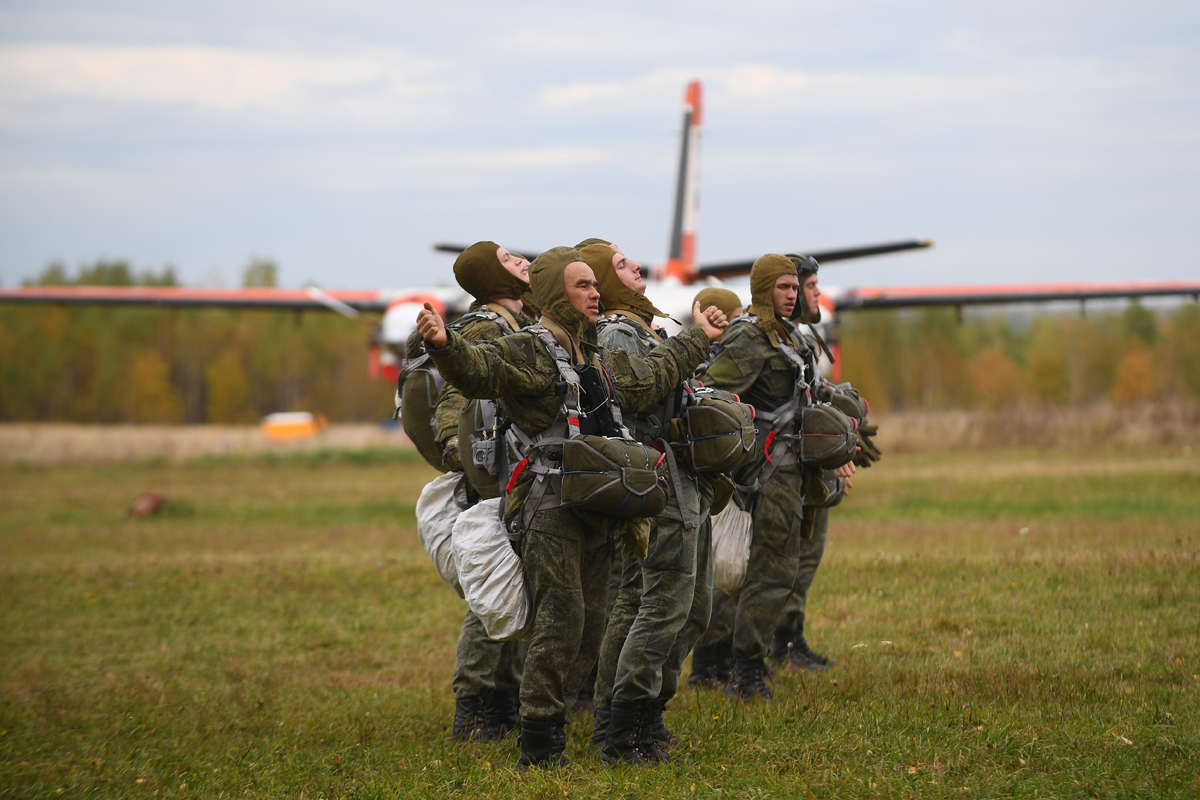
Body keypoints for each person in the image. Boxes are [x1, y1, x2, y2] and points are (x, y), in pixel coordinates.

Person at [415, 246, 728, 767]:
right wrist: (447, 345)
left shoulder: (594, 356)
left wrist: (699, 338)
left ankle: (553, 724)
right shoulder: (532, 349)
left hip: (599, 507)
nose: (595, 292)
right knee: (559, 625)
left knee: (591, 626)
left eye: (593, 284)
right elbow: (481, 371)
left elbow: (647, 378)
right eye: (582, 285)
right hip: (551, 507)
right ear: (557, 293)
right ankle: (538, 745)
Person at [691, 254, 855, 699]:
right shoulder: (748, 337)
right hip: (767, 470)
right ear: (763, 289)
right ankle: (744, 670)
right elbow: (707, 389)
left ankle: (748, 663)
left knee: (779, 568)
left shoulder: (790, 337)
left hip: (793, 468)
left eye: (792, 286)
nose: (790, 294)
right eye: (781, 287)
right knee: (770, 570)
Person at [583, 242, 714, 765]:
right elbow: (636, 396)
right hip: (653, 480)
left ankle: (641, 716)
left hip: (676, 477)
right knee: (658, 605)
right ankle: (623, 730)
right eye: (620, 265)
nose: (637, 266)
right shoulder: (617, 333)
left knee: (686, 607)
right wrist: (693, 341)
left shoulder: (643, 330)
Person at [432, 241, 538, 742]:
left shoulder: (521, 322)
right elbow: (456, 393)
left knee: (523, 587)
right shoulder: (481, 326)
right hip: (494, 473)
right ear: (491, 278)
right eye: (508, 258)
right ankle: (473, 706)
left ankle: (505, 700)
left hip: (526, 472)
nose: (522, 260)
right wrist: (459, 448)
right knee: (492, 592)